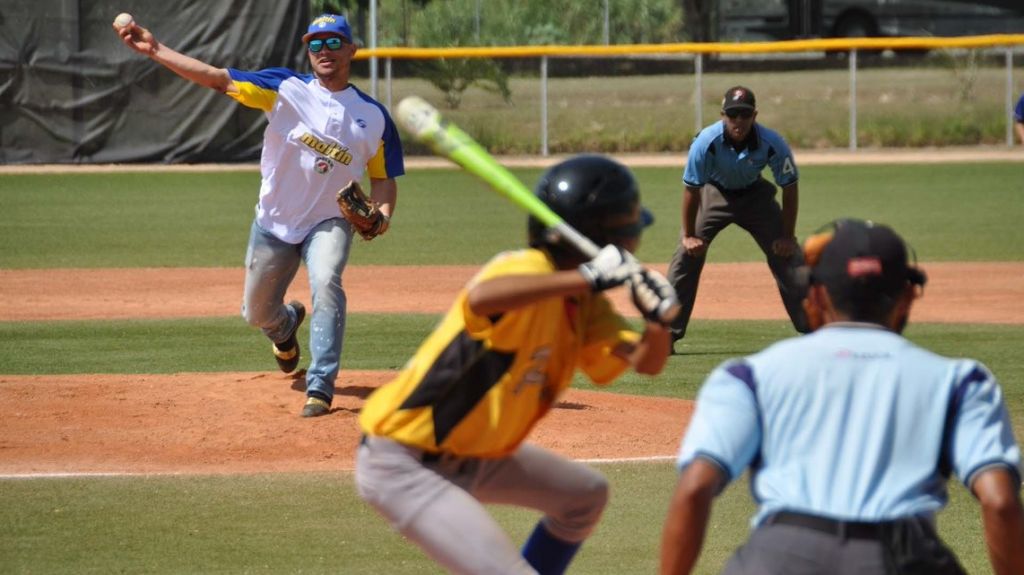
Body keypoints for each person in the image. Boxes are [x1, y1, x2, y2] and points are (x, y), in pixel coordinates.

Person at [356, 155, 675, 575]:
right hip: (404, 461)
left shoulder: (585, 305)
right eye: (631, 231)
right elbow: (482, 299)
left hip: (475, 455)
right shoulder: (527, 269)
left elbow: (644, 363)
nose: (637, 240)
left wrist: (658, 322)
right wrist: (589, 277)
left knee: (585, 497)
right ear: (606, 240)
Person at [660, 218, 1024, 575]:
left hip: (776, 557)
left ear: (815, 295)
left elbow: (694, 489)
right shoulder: (962, 382)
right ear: (908, 295)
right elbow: (1000, 501)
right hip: (902, 557)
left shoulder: (747, 376)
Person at [115, 14, 405, 417]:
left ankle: (320, 387)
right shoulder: (284, 88)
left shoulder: (373, 116)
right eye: (315, 43)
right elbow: (217, 78)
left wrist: (383, 214)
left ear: (352, 50)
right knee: (255, 313)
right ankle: (284, 326)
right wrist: (155, 49)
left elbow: (384, 180)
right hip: (275, 221)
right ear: (308, 51)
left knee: (326, 281)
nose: (324, 51)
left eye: (333, 42)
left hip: (330, 220)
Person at [667, 86, 808, 353]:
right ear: (723, 115)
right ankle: (666, 332)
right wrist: (688, 235)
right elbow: (691, 189)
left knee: (788, 254)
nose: (738, 122)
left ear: (755, 115)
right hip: (713, 192)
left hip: (755, 195)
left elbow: (790, 187)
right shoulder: (705, 143)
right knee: (686, 255)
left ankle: (813, 326)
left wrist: (787, 236)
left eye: (744, 115)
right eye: (733, 115)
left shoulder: (772, 143)